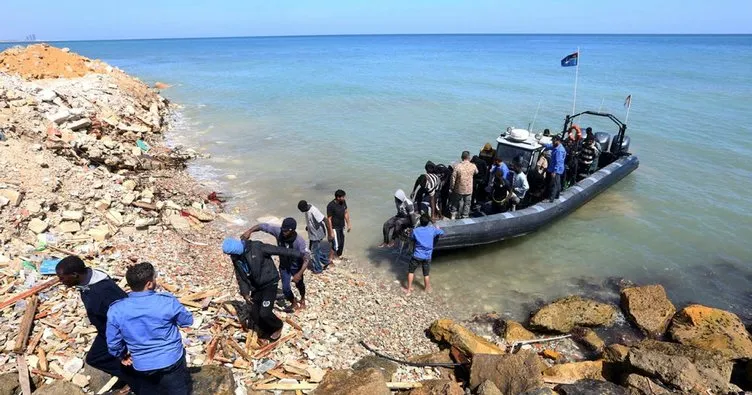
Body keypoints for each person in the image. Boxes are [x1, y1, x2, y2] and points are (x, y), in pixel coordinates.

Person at [106, 262, 193, 395]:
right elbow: (187, 321)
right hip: (171, 359)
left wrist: (121, 355)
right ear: (149, 284)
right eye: (154, 278)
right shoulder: (167, 301)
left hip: (142, 364)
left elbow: (113, 342)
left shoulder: (116, 309)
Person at [55, 256, 138, 392]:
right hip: (104, 329)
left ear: (75, 275)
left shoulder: (102, 290)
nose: (60, 281)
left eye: (63, 278)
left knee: (97, 358)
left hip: (115, 331)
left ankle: (136, 379)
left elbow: (125, 314)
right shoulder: (87, 281)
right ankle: (129, 374)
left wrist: (123, 345)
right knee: (94, 358)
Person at [222, 237, 302, 342]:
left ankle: (278, 326)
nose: (231, 256)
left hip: (270, 283)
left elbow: (279, 250)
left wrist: (300, 254)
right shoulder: (236, 258)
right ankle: (268, 330)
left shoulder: (257, 247)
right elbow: (240, 276)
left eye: (232, 254)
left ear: (237, 250)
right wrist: (245, 293)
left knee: (265, 312)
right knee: (254, 313)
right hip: (256, 286)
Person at [242, 218, 310, 310]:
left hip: (296, 266)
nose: (283, 232)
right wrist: (249, 231)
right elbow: (262, 226)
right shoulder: (279, 232)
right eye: (283, 229)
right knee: (285, 288)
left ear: (292, 230)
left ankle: (302, 299)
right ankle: (293, 302)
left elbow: (306, 258)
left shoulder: (299, 241)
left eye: (286, 231)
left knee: (300, 284)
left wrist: (299, 273)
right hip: (284, 265)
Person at [404, 213, 444, 296]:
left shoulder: (416, 231)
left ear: (420, 222)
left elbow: (411, 238)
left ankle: (409, 290)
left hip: (417, 255)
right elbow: (442, 232)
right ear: (428, 222)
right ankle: (426, 289)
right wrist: (437, 228)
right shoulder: (432, 230)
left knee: (411, 272)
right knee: (426, 274)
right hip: (427, 256)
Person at [297, 200, 329, 273]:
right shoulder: (307, 208)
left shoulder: (314, 211)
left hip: (317, 235)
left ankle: (318, 269)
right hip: (312, 233)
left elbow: (325, 220)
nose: (301, 211)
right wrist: (308, 227)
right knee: (315, 251)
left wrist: (330, 234)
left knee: (314, 253)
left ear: (304, 207)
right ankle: (326, 261)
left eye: (301, 210)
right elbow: (311, 220)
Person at [449, 151, 477, 219]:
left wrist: (451, 187)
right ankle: (465, 216)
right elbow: (476, 172)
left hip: (458, 188)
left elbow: (453, 178)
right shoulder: (473, 166)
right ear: (469, 157)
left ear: (462, 157)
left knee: (455, 202)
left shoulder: (457, 166)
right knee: (467, 203)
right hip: (469, 189)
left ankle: (453, 214)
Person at [326, 189, 351, 263]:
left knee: (342, 242)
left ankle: (339, 255)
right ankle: (330, 260)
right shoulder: (330, 206)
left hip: (341, 226)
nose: (344, 198)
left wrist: (348, 224)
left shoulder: (343, 202)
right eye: (343, 197)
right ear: (338, 197)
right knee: (335, 244)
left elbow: (345, 213)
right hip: (334, 227)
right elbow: (329, 219)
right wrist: (331, 232)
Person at [543, 135, 567, 202]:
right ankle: (557, 195)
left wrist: (554, 171)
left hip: (556, 169)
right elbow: (550, 146)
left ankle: (551, 199)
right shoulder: (556, 146)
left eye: (553, 141)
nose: (552, 142)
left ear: (557, 141)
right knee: (558, 183)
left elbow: (558, 162)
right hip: (554, 168)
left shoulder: (559, 150)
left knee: (554, 184)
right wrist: (543, 144)